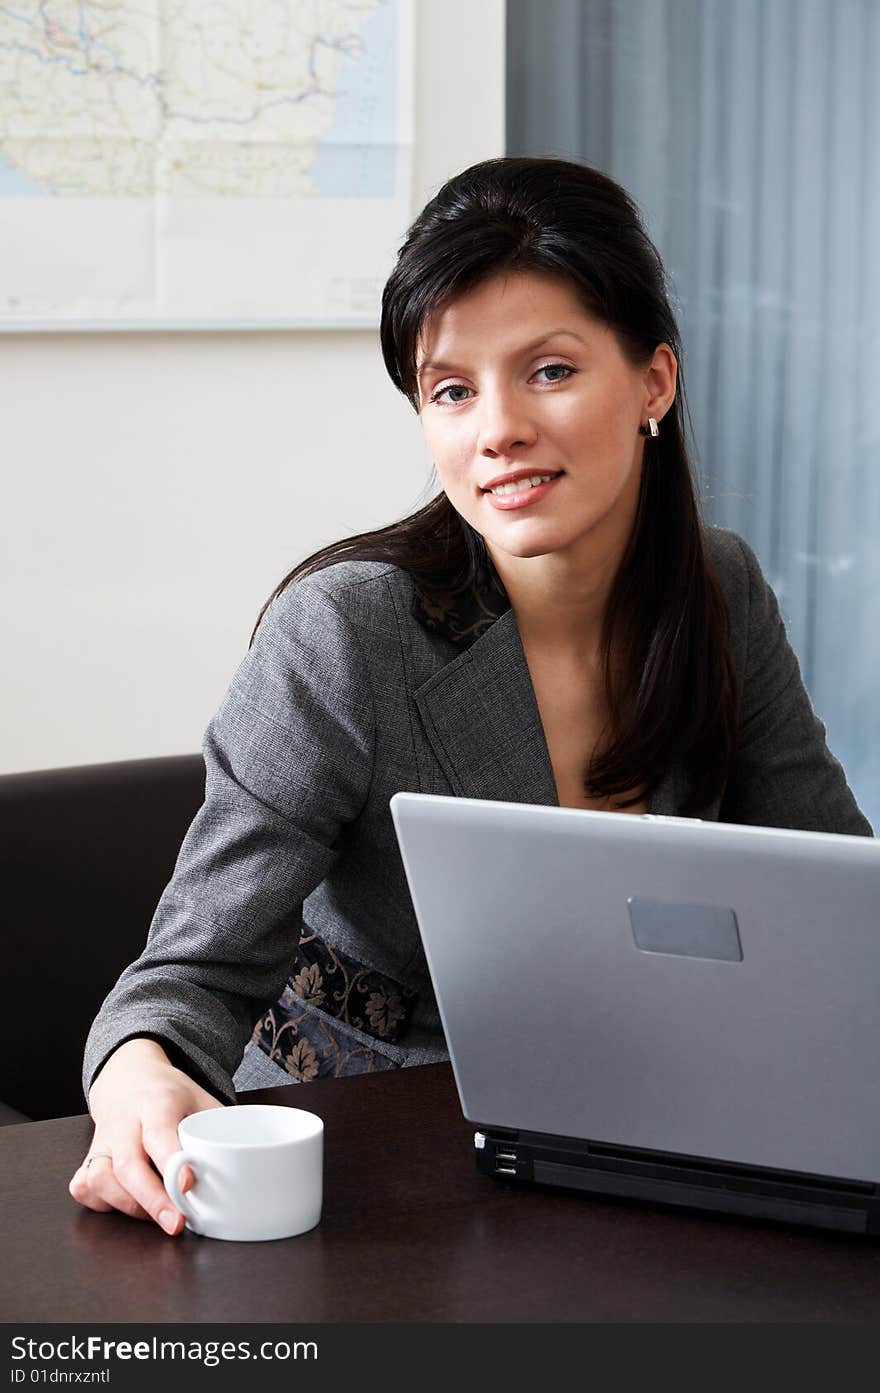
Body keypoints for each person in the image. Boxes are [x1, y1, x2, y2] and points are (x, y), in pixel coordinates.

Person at [69, 156, 872, 1235]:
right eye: (451, 390)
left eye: (547, 371)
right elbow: (188, 976)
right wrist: (137, 1080)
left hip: (648, 1119)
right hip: (376, 1142)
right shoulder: (349, 631)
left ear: (654, 384)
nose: (495, 429)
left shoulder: (716, 588)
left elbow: (835, 909)